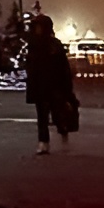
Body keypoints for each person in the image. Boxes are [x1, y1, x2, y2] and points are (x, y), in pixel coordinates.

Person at [24, 9, 75, 154]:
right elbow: (31, 66)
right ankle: (43, 142)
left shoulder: (54, 45)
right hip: (40, 85)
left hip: (54, 86)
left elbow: (63, 67)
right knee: (42, 115)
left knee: (57, 112)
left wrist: (66, 87)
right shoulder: (33, 45)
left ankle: (62, 130)